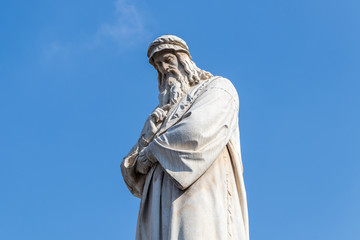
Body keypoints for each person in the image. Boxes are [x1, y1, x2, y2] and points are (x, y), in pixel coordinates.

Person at [121, 35, 249, 240]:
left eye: (168, 60)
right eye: (158, 64)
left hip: (198, 196)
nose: (164, 67)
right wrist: (148, 135)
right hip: (158, 205)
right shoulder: (160, 114)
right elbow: (132, 171)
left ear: (183, 60)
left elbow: (195, 132)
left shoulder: (218, 88)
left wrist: (152, 151)